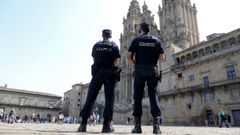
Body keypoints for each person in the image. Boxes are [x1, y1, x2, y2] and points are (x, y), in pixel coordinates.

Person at [78, 29, 121, 133]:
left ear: (102, 35)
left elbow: (94, 58)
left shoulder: (96, 45)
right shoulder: (114, 46)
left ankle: (83, 124)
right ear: (110, 36)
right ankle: (106, 125)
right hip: (110, 73)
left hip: (98, 72)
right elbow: (117, 61)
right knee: (109, 99)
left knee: (90, 98)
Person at [128, 22, 165, 134]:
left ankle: (137, 127)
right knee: (153, 95)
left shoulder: (136, 40)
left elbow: (128, 56)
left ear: (141, 30)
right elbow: (162, 58)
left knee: (137, 96)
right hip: (152, 70)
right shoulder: (156, 40)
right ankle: (156, 128)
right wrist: (154, 61)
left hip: (139, 69)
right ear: (150, 30)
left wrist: (136, 63)